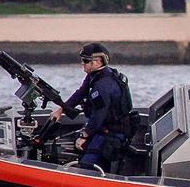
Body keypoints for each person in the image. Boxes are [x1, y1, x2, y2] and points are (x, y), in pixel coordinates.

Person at [51, 42, 132, 172]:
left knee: (86, 165)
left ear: (98, 62)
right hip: (101, 128)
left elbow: (99, 114)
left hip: (111, 133)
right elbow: (80, 93)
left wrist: (84, 136)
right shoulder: (94, 76)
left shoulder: (103, 85)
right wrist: (62, 109)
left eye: (85, 60)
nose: (82, 63)